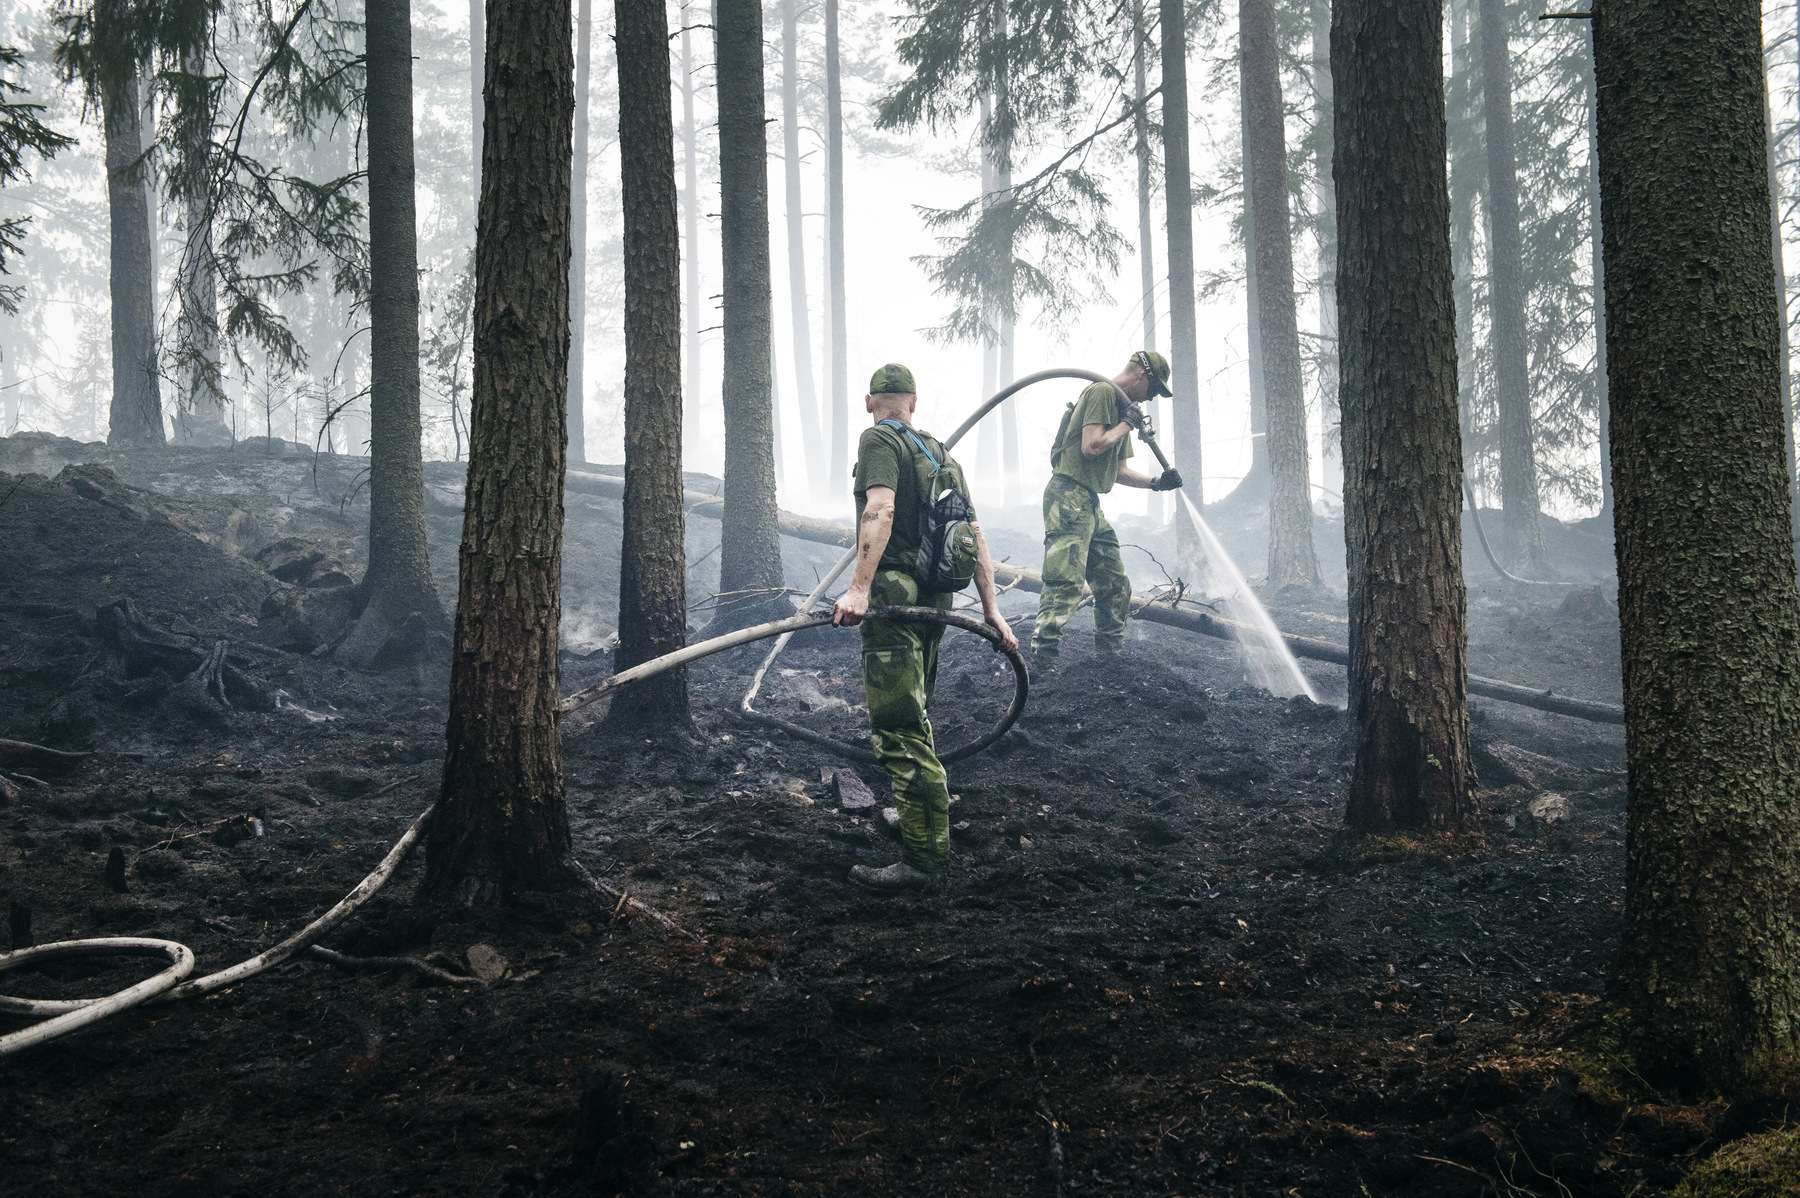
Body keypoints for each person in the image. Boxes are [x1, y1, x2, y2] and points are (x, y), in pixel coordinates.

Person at [833, 363, 1019, 893]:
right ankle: (920, 821)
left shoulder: (878, 440)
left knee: (899, 728)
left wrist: (860, 587)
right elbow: (973, 533)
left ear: (870, 401)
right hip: (937, 600)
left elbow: (881, 508)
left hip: (895, 600)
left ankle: (924, 857)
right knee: (917, 716)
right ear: (913, 402)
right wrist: (991, 608)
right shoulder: (941, 453)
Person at [1031, 350, 1183, 672]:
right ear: (1142, 376)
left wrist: (1157, 482)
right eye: (1154, 390)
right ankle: (1041, 669)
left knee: (1115, 586)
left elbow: (1117, 470)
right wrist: (1127, 424)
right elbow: (1092, 446)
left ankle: (1108, 666)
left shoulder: (1121, 409)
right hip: (1068, 496)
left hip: (1088, 503)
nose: (1151, 399)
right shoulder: (1102, 392)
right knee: (1066, 584)